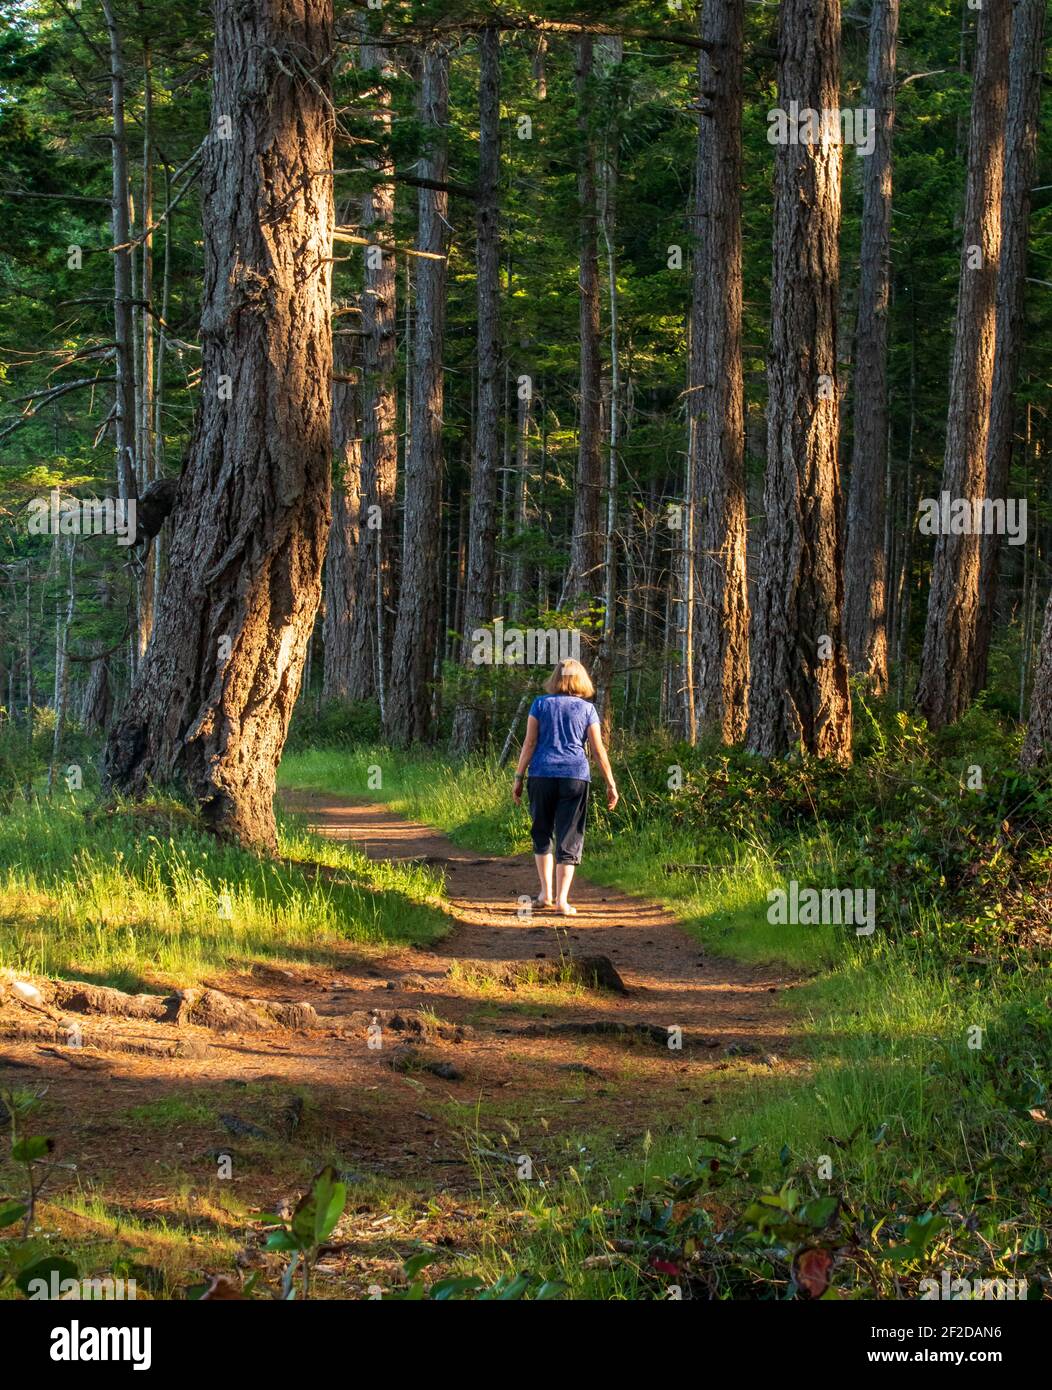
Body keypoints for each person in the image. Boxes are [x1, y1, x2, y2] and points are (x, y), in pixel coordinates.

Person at [511, 659, 618, 915]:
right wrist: (610, 783)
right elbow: (598, 751)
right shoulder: (587, 709)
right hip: (575, 777)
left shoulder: (540, 704)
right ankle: (562, 901)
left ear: (556, 678)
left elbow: (529, 743)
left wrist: (518, 777)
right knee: (569, 836)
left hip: (541, 775)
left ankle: (545, 893)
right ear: (581, 679)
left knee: (542, 831)